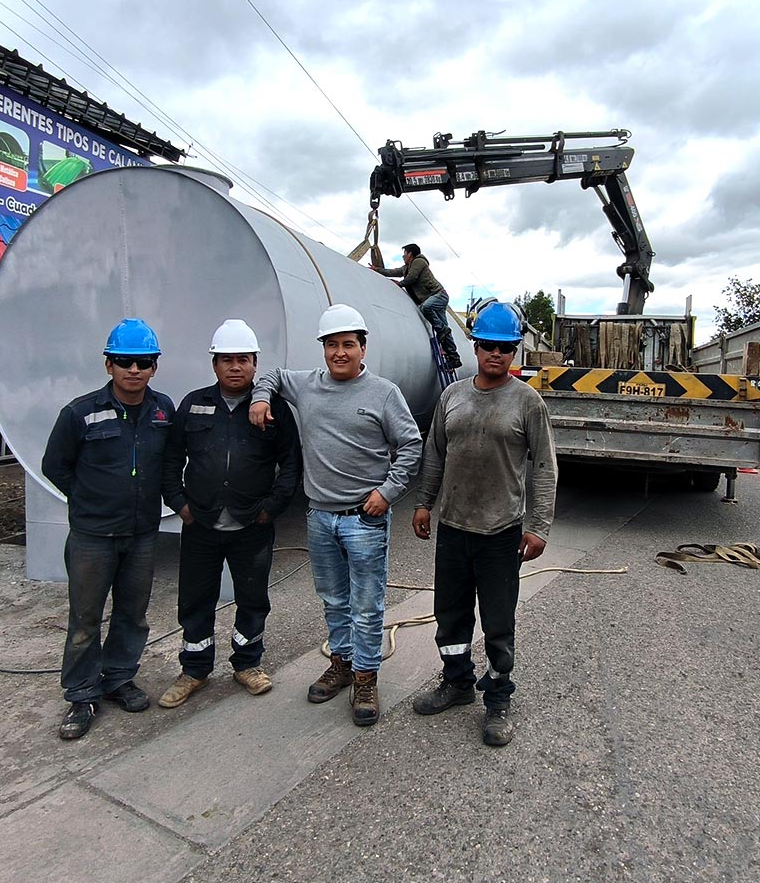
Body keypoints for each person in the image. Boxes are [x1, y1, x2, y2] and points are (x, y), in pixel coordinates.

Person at [249, 304, 422, 727]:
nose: (339, 352)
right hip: (320, 517)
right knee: (334, 599)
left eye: (348, 344)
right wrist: (260, 397)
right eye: (331, 345)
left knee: (367, 605)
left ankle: (365, 678)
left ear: (363, 348)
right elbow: (273, 374)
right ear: (323, 349)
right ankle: (342, 664)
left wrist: (387, 492)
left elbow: (411, 445)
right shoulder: (307, 385)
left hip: (364, 519)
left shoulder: (383, 393)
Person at [410, 302, 557, 747]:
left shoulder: (527, 402)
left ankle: (497, 699)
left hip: (500, 533)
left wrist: (539, 526)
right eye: (489, 345)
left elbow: (544, 467)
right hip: (454, 528)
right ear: (475, 346)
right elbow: (435, 453)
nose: (496, 353)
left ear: (514, 352)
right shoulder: (452, 396)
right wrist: (424, 503)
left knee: (497, 622)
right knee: (450, 615)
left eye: (505, 348)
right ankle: (457, 682)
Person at [41, 318, 175, 741]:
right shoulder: (79, 413)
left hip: (142, 534)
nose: (134, 370)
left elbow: (170, 464)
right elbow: (55, 466)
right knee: (85, 618)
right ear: (108, 365)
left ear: (154, 366)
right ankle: (82, 694)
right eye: (124, 361)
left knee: (133, 614)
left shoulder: (162, 410)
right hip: (93, 537)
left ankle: (118, 678)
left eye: (143, 362)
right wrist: (88, 501)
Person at [159, 319, 302, 708]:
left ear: (255, 363)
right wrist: (179, 503)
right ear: (214, 364)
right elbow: (171, 459)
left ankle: (247, 664)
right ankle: (194, 669)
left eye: (243, 360)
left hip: (252, 524)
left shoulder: (273, 409)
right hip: (201, 523)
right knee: (195, 598)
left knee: (252, 597)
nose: (235, 367)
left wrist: (271, 509)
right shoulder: (194, 404)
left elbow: (291, 464)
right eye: (226, 360)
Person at [371, 243, 462, 369]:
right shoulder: (406, 267)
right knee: (445, 332)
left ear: (410, 254)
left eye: (404, 253)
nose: (403, 256)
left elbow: (412, 277)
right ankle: (454, 358)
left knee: (426, 308)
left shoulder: (419, 262)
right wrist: (377, 270)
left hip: (438, 295)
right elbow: (393, 272)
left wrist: (400, 284)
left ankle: (442, 330)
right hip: (434, 297)